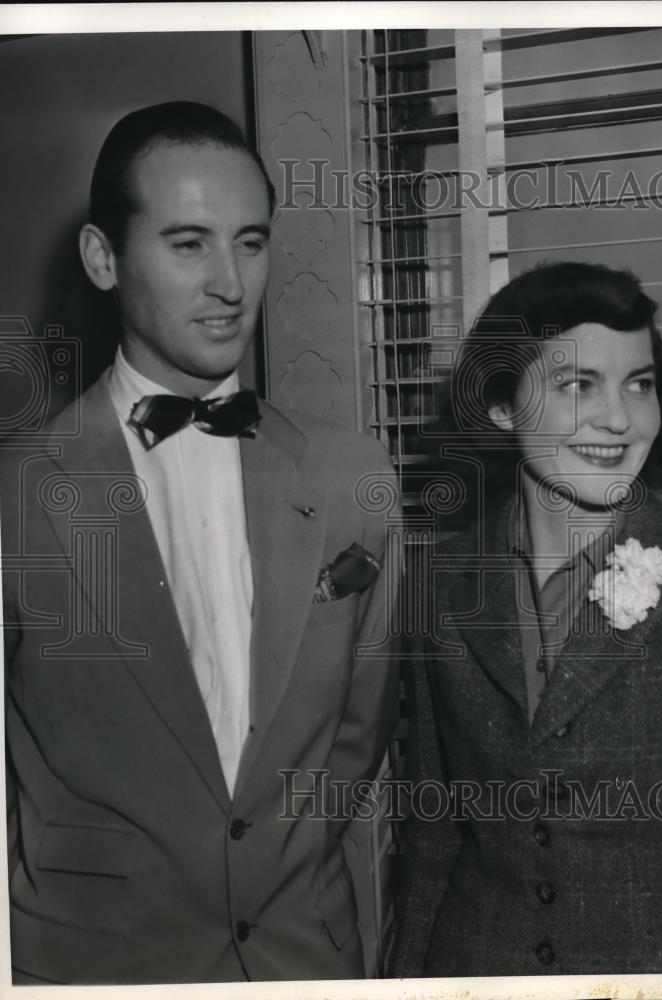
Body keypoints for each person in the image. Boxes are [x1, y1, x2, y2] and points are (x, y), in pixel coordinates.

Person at [2, 102, 400, 984]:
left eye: (250, 242)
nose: (231, 282)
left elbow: (356, 738)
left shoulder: (353, 477)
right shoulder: (18, 495)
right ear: (103, 259)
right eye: (189, 244)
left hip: (307, 960)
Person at [393, 261, 662, 976]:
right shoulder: (439, 583)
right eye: (578, 385)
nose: (618, 418)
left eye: (638, 384)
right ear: (498, 406)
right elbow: (434, 830)